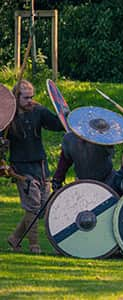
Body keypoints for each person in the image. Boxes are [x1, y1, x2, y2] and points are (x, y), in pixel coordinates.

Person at [3, 79, 65, 253]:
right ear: (16, 97)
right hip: (21, 167)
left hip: (41, 165)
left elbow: (57, 125)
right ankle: (34, 245)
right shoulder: (9, 116)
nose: (30, 100)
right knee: (32, 206)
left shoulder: (38, 111)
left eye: (32, 97)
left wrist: (65, 114)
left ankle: (15, 238)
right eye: (26, 98)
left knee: (43, 207)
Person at [51, 132, 118, 193]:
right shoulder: (70, 138)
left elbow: (110, 151)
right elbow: (65, 161)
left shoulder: (102, 137)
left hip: (108, 181)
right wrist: (57, 179)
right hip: (83, 183)